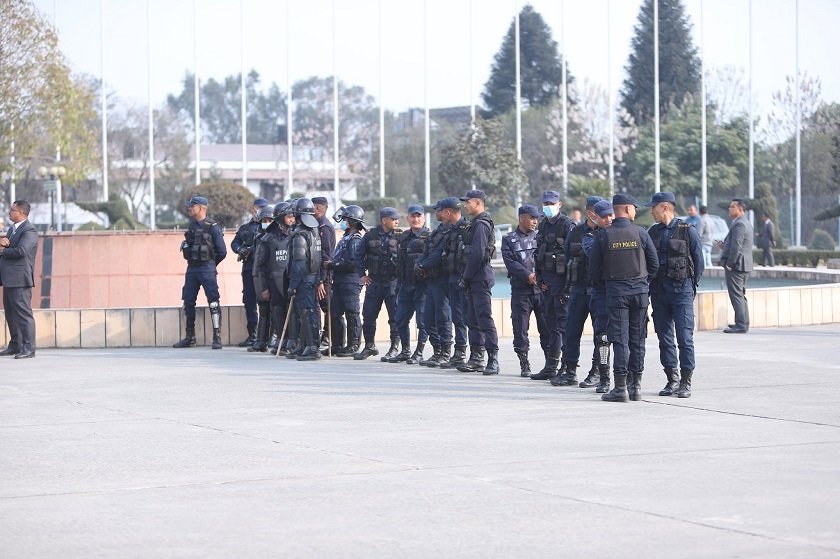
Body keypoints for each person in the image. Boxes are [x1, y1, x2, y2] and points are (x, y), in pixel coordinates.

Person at [589, 194, 659, 402]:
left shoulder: (603, 235)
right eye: (634, 209)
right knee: (637, 339)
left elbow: (593, 270)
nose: (635, 212)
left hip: (616, 293)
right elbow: (654, 264)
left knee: (620, 339)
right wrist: (642, 283)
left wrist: (609, 285)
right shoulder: (641, 233)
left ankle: (620, 388)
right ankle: (635, 386)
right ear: (628, 210)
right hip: (639, 293)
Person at [647, 191, 704, 399]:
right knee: (665, 339)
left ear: (664, 207)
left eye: (653, 207)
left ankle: (685, 381)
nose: (650, 211)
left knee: (684, 338)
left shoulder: (687, 230)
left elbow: (699, 262)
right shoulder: (652, 232)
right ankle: (672, 378)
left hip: (681, 292)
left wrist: (690, 286)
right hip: (659, 292)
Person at [550, 196, 603, 387]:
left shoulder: (608, 232)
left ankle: (597, 371)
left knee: (601, 335)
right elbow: (566, 259)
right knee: (571, 332)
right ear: (591, 213)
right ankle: (570, 370)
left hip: (600, 291)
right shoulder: (576, 232)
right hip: (578, 289)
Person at [530, 190, 574, 380]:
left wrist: (567, 286)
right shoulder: (544, 225)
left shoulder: (567, 225)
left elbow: (573, 258)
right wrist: (540, 279)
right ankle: (551, 365)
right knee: (550, 325)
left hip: (562, 283)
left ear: (559, 204)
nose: (548, 206)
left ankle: (566, 365)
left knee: (563, 326)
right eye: (545, 203)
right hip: (547, 283)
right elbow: (539, 255)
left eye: (551, 203)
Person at [173, 196, 227, 349]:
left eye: (192, 206)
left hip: (207, 269)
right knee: (188, 301)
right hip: (192, 269)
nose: (189, 209)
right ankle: (190, 337)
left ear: (201, 208)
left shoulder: (213, 227)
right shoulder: (191, 226)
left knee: (213, 301)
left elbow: (222, 251)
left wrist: (211, 264)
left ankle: (217, 337)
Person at [456, 189, 500, 375]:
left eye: (468, 202)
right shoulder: (473, 224)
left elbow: (478, 254)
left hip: (479, 278)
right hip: (472, 278)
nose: (465, 205)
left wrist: (466, 277)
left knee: (484, 319)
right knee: (472, 319)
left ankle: (493, 359)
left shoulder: (481, 224)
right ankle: (476, 357)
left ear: (478, 203)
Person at [501, 204, 547, 377]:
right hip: (521, 292)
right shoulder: (509, 239)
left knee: (547, 328)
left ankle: (550, 362)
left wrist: (542, 277)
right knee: (520, 329)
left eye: (536, 218)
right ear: (522, 218)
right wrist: (528, 275)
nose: (535, 221)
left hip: (541, 291)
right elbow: (511, 263)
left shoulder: (541, 237)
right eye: (532, 218)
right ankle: (524, 362)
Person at [414, 198, 456, 367]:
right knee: (428, 318)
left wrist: (423, 264)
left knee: (443, 316)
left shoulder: (451, 232)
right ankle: (437, 350)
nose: (436, 213)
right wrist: (419, 264)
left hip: (443, 279)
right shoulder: (438, 231)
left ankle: (446, 352)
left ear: (446, 211)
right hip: (431, 280)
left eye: (438, 210)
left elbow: (439, 254)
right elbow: (427, 251)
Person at [355, 207, 401, 360]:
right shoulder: (370, 235)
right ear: (384, 220)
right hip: (374, 282)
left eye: (397, 219)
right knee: (368, 315)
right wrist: (361, 275)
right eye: (393, 219)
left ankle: (394, 347)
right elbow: (358, 255)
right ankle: (369, 346)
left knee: (394, 316)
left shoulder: (400, 235)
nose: (397, 221)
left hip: (393, 282)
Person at [390, 204, 432, 363]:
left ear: (423, 218)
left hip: (423, 286)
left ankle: (419, 352)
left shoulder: (429, 236)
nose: (415, 219)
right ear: (407, 218)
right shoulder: (402, 237)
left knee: (422, 322)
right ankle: (405, 351)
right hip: (405, 284)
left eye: (418, 216)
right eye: (412, 216)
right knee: (400, 319)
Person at [584, 200, 616, 393]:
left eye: (611, 215)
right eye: (604, 216)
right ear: (595, 217)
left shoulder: (622, 234)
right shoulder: (591, 238)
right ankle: (604, 377)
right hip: (601, 294)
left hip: (620, 294)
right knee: (602, 339)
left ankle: (627, 378)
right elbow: (592, 257)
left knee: (623, 339)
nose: (609, 219)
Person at [0, 200, 39, 359]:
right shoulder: (12, 229)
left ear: (22, 213)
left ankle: (29, 348)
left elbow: (22, 251)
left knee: (23, 314)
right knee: (10, 313)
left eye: (12, 210)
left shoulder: (29, 230)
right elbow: (9, 247)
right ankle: (15, 345)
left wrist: (3, 250)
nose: (9, 212)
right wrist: (4, 244)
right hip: (9, 279)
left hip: (20, 280)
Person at [328, 205, 367, 357]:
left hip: (350, 282)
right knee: (335, 312)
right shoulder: (345, 238)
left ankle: (353, 345)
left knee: (352, 313)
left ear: (351, 221)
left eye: (345, 219)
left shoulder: (356, 240)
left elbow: (352, 264)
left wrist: (331, 265)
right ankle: (337, 344)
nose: (343, 221)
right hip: (339, 280)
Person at [288, 198, 324, 360]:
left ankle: (311, 347)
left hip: (304, 279)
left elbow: (298, 263)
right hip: (313, 277)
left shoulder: (300, 235)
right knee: (306, 312)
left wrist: (292, 284)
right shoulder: (314, 232)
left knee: (306, 313)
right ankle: (304, 345)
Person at [230, 198, 269, 347]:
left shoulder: (268, 226)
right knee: (249, 301)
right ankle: (252, 335)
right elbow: (234, 243)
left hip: (263, 270)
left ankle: (265, 336)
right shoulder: (245, 227)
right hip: (248, 269)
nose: (261, 211)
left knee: (265, 302)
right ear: (253, 209)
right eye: (259, 208)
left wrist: (252, 249)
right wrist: (240, 250)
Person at [439, 199, 470, 370]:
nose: (440, 214)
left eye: (442, 211)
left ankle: (463, 353)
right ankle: (458, 353)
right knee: (456, 317)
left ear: (448, 212)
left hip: (461, 278)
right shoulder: (450, 230)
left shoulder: (466, 229)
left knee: (462, 317)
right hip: (450, 277)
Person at [717, 198, 753, 333]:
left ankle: (741, 324)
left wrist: (730, 264)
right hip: (743, 265)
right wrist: (724, 245)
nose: (729, 209)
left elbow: (736, 246)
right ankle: (743, 322)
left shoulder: (740, 224)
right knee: (740, 294)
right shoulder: (741, 222)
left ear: (740, 209)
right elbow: (735, 244)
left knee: (736, 295)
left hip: (737, 266)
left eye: (732, 207)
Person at [312, 197, 337, 349]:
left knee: (327, 306)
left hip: (324, 276)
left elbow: (326, 256)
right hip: (317, 274)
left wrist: (321, 280)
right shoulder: (316, 225)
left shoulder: (324, 227)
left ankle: (327, 336)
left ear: (318, 208)